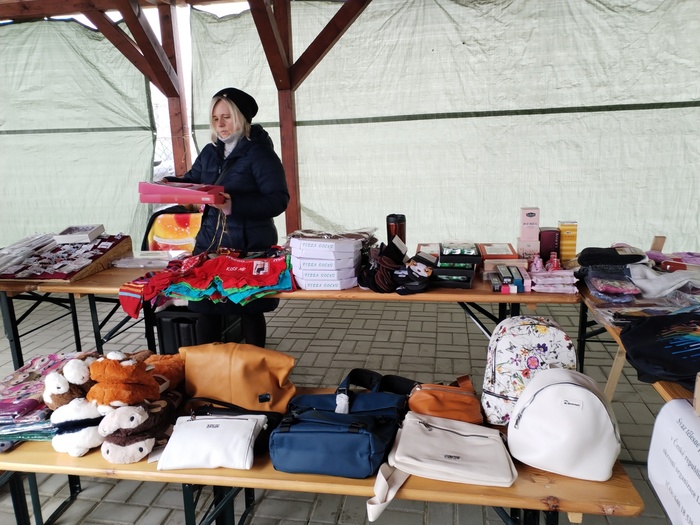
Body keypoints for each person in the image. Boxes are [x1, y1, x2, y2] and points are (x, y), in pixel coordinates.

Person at [166, 87, 289, 347]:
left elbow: (278, 200)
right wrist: (169, 184)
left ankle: (254, 366)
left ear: (241, 117)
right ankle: (207, 368)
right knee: (205, 306)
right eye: (215, 118)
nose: (220, 124)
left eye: (226, 117)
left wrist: (234, 204)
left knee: (248, 308)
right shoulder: (210, 152)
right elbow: (193, 181)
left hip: (249, 245)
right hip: (209, 243)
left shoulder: (260, 153)